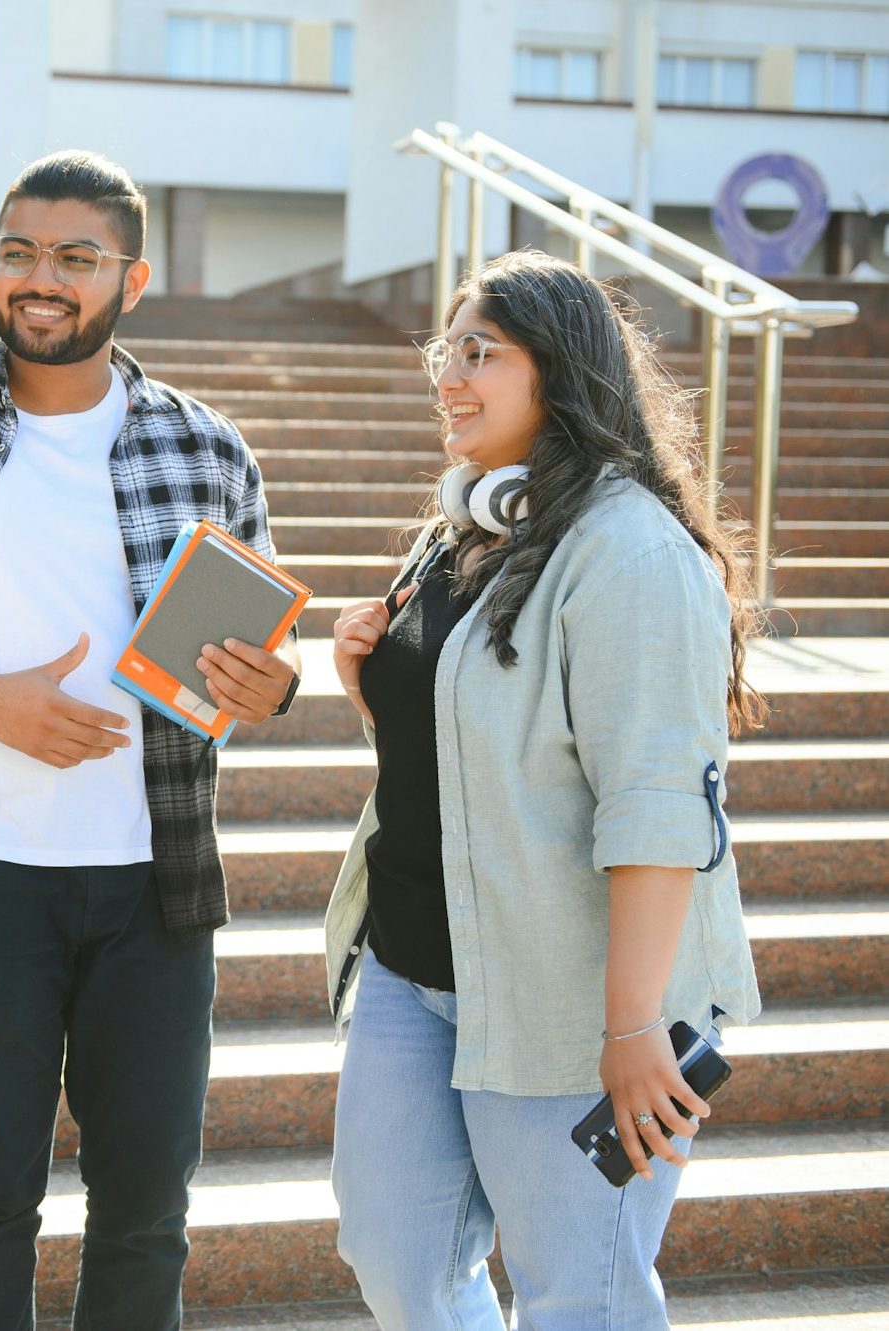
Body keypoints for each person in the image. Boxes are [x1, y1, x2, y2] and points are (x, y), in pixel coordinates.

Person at [0, 150, 302, 1329]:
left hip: (153, 879)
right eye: (19, 251)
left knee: (144, 1206)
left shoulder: (206, 448)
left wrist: (267, 686)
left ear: (130, 277)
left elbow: (243, 674)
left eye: (75, 258)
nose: (40, 279)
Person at [323, 250, 764, 1329]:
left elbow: (658, 803)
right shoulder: (463, 528)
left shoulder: (628, 551)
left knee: (581, 1293)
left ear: (556, 372)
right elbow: (490, 745)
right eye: (445, 350)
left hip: (572, 996)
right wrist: (370, 685)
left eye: (480, 352)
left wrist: (628, 1027)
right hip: (413, 968)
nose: (448, 375)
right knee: (397, 1257)